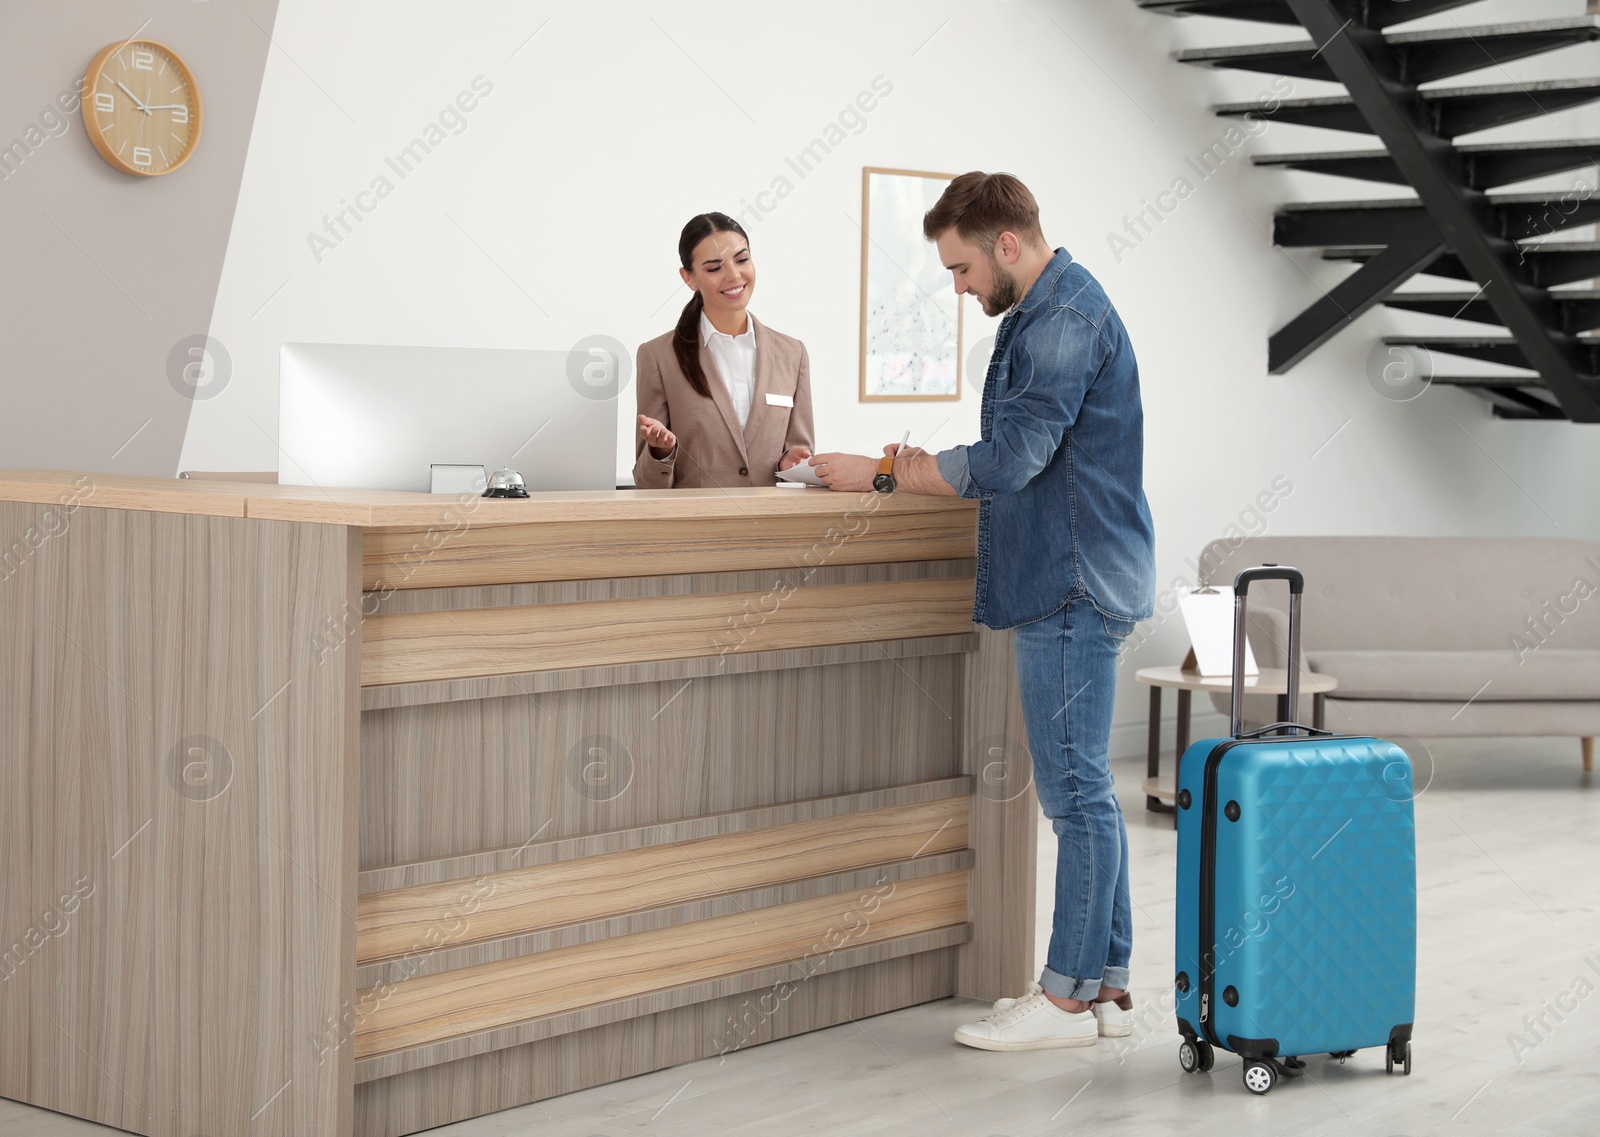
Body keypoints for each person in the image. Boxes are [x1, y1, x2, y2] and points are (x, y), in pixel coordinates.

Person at [811, 172, 1156, 1051]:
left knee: (1074, 796)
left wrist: (886, 469)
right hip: (1078, 572)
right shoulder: (1049, 312)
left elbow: (1009, 461)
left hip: (1072, 579)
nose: (960, 290)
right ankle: (1104, 988)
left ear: (1007, 245)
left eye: (962, 270)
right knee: (1089, 794)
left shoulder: (1063, 323)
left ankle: (1066, 1000)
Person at [634, 213, 815, 489]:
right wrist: (661, 452)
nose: (733, 275)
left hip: (773, 526)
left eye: (742, 260)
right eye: (714, 268)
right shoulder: (658, 357)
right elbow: (647, 484)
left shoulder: (793, 354)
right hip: (699, 527)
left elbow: (800, 457)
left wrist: (790, 464)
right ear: (689, 278)